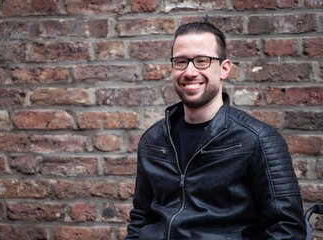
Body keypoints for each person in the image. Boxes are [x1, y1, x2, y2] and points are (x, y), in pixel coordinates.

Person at [125, 22, 306, 240]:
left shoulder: (258, 140)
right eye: (181, 62)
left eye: (202, 61)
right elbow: (141, 219)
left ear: (224, 69)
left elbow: (286, 230)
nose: (190, 72)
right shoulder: (153, 140)